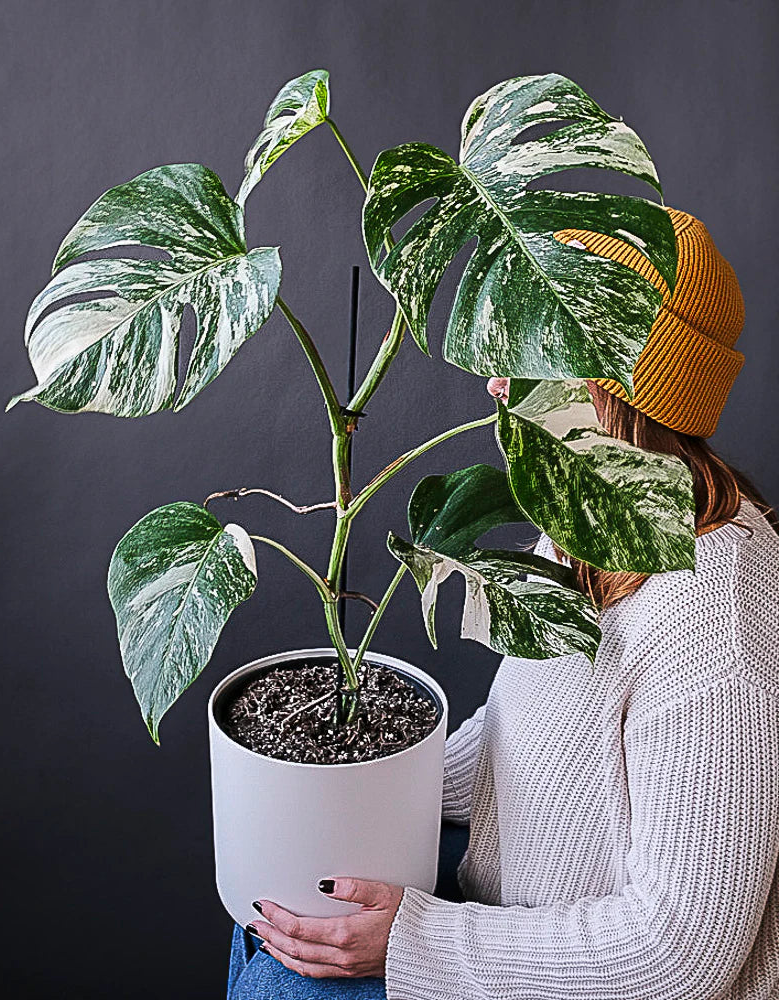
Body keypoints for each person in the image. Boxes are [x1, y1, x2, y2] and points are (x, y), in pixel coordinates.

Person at [227, 208, 779, 999]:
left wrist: (416, 943)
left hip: (586, 973)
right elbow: (526, 745)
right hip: (509, 914)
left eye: (530, 344)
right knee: (276, 906)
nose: (494, 380)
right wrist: (341, 775)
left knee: (294, 982)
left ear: (610, 383)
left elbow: (679, 953)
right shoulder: (584, 526)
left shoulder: (712, 611)